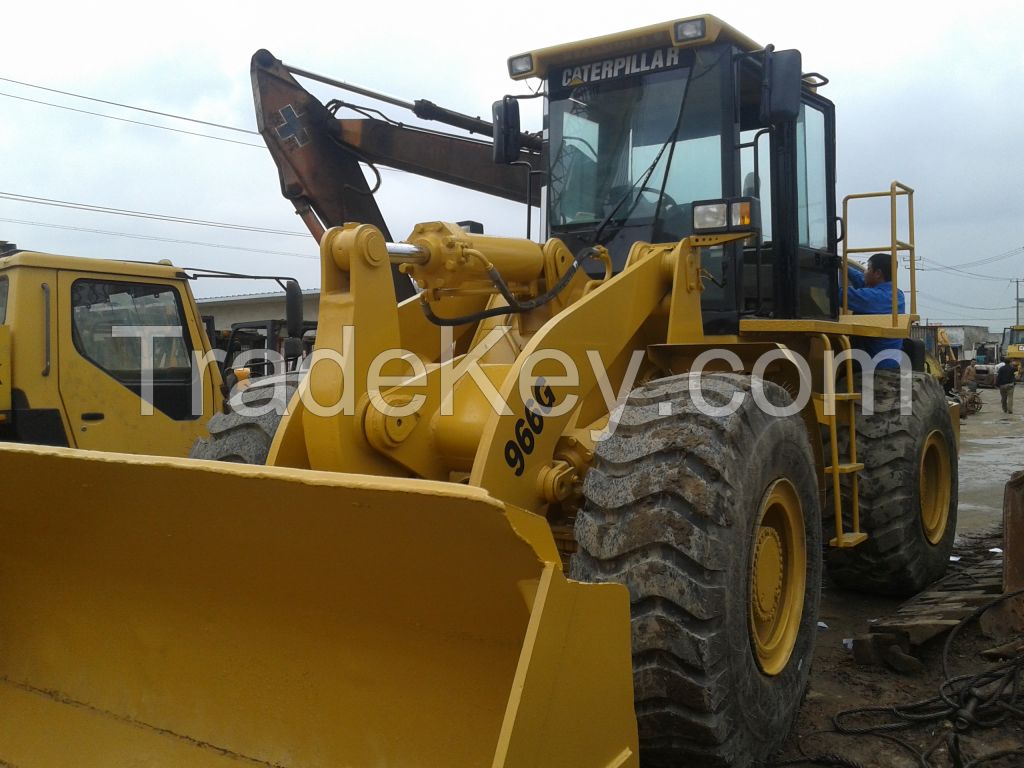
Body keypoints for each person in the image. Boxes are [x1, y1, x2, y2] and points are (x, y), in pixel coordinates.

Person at [846, 253, 906, 370]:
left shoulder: (874, 298)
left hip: (875, 367)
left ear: (878, 273)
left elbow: (841, 294)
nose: (865, 272)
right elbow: (862, 280)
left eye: (868, 269)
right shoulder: (897, 294)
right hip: (891, 362)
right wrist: (843, 266)